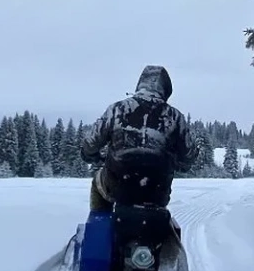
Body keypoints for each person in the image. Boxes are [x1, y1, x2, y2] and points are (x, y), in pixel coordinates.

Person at [80, 65, 197, 212]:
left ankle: (99, 223)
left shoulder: (116, 110)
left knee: (97, 183)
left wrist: (91, 156)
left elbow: (90, 144)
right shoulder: (175, 117)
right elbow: (189, 155)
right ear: (166, 90)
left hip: (118, 188)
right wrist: (178, 163)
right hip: (157, 192)